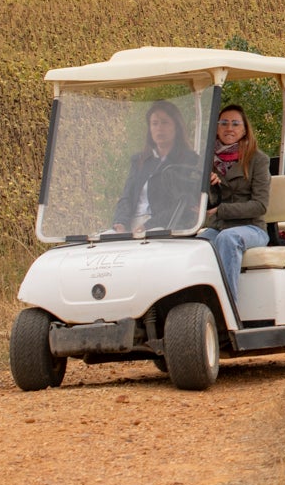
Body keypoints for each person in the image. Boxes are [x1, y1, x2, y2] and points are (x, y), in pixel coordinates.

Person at [198, 104, 272, 321]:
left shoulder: (258, 160)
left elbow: (260, 205)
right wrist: (208, 184)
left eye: (235, 123)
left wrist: (221, 210)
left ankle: (228, 312)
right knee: (195, 245)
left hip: (250, 228)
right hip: (217, 228)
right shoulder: (207, 161)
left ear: (244, 129)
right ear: (216, 128)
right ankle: (198, 311)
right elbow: (202, 204)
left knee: (228, 239)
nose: (229, 128)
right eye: (223, 123)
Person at [112, 100, 198, 235]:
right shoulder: (140, 160)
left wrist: (148, 225)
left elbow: (184, 203)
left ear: (176, 127)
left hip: (164, 226)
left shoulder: (188, 160)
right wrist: (120, 222)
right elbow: (127, 196)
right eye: (155, 123)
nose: (159, 128)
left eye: (165, 123)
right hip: (132, 225)